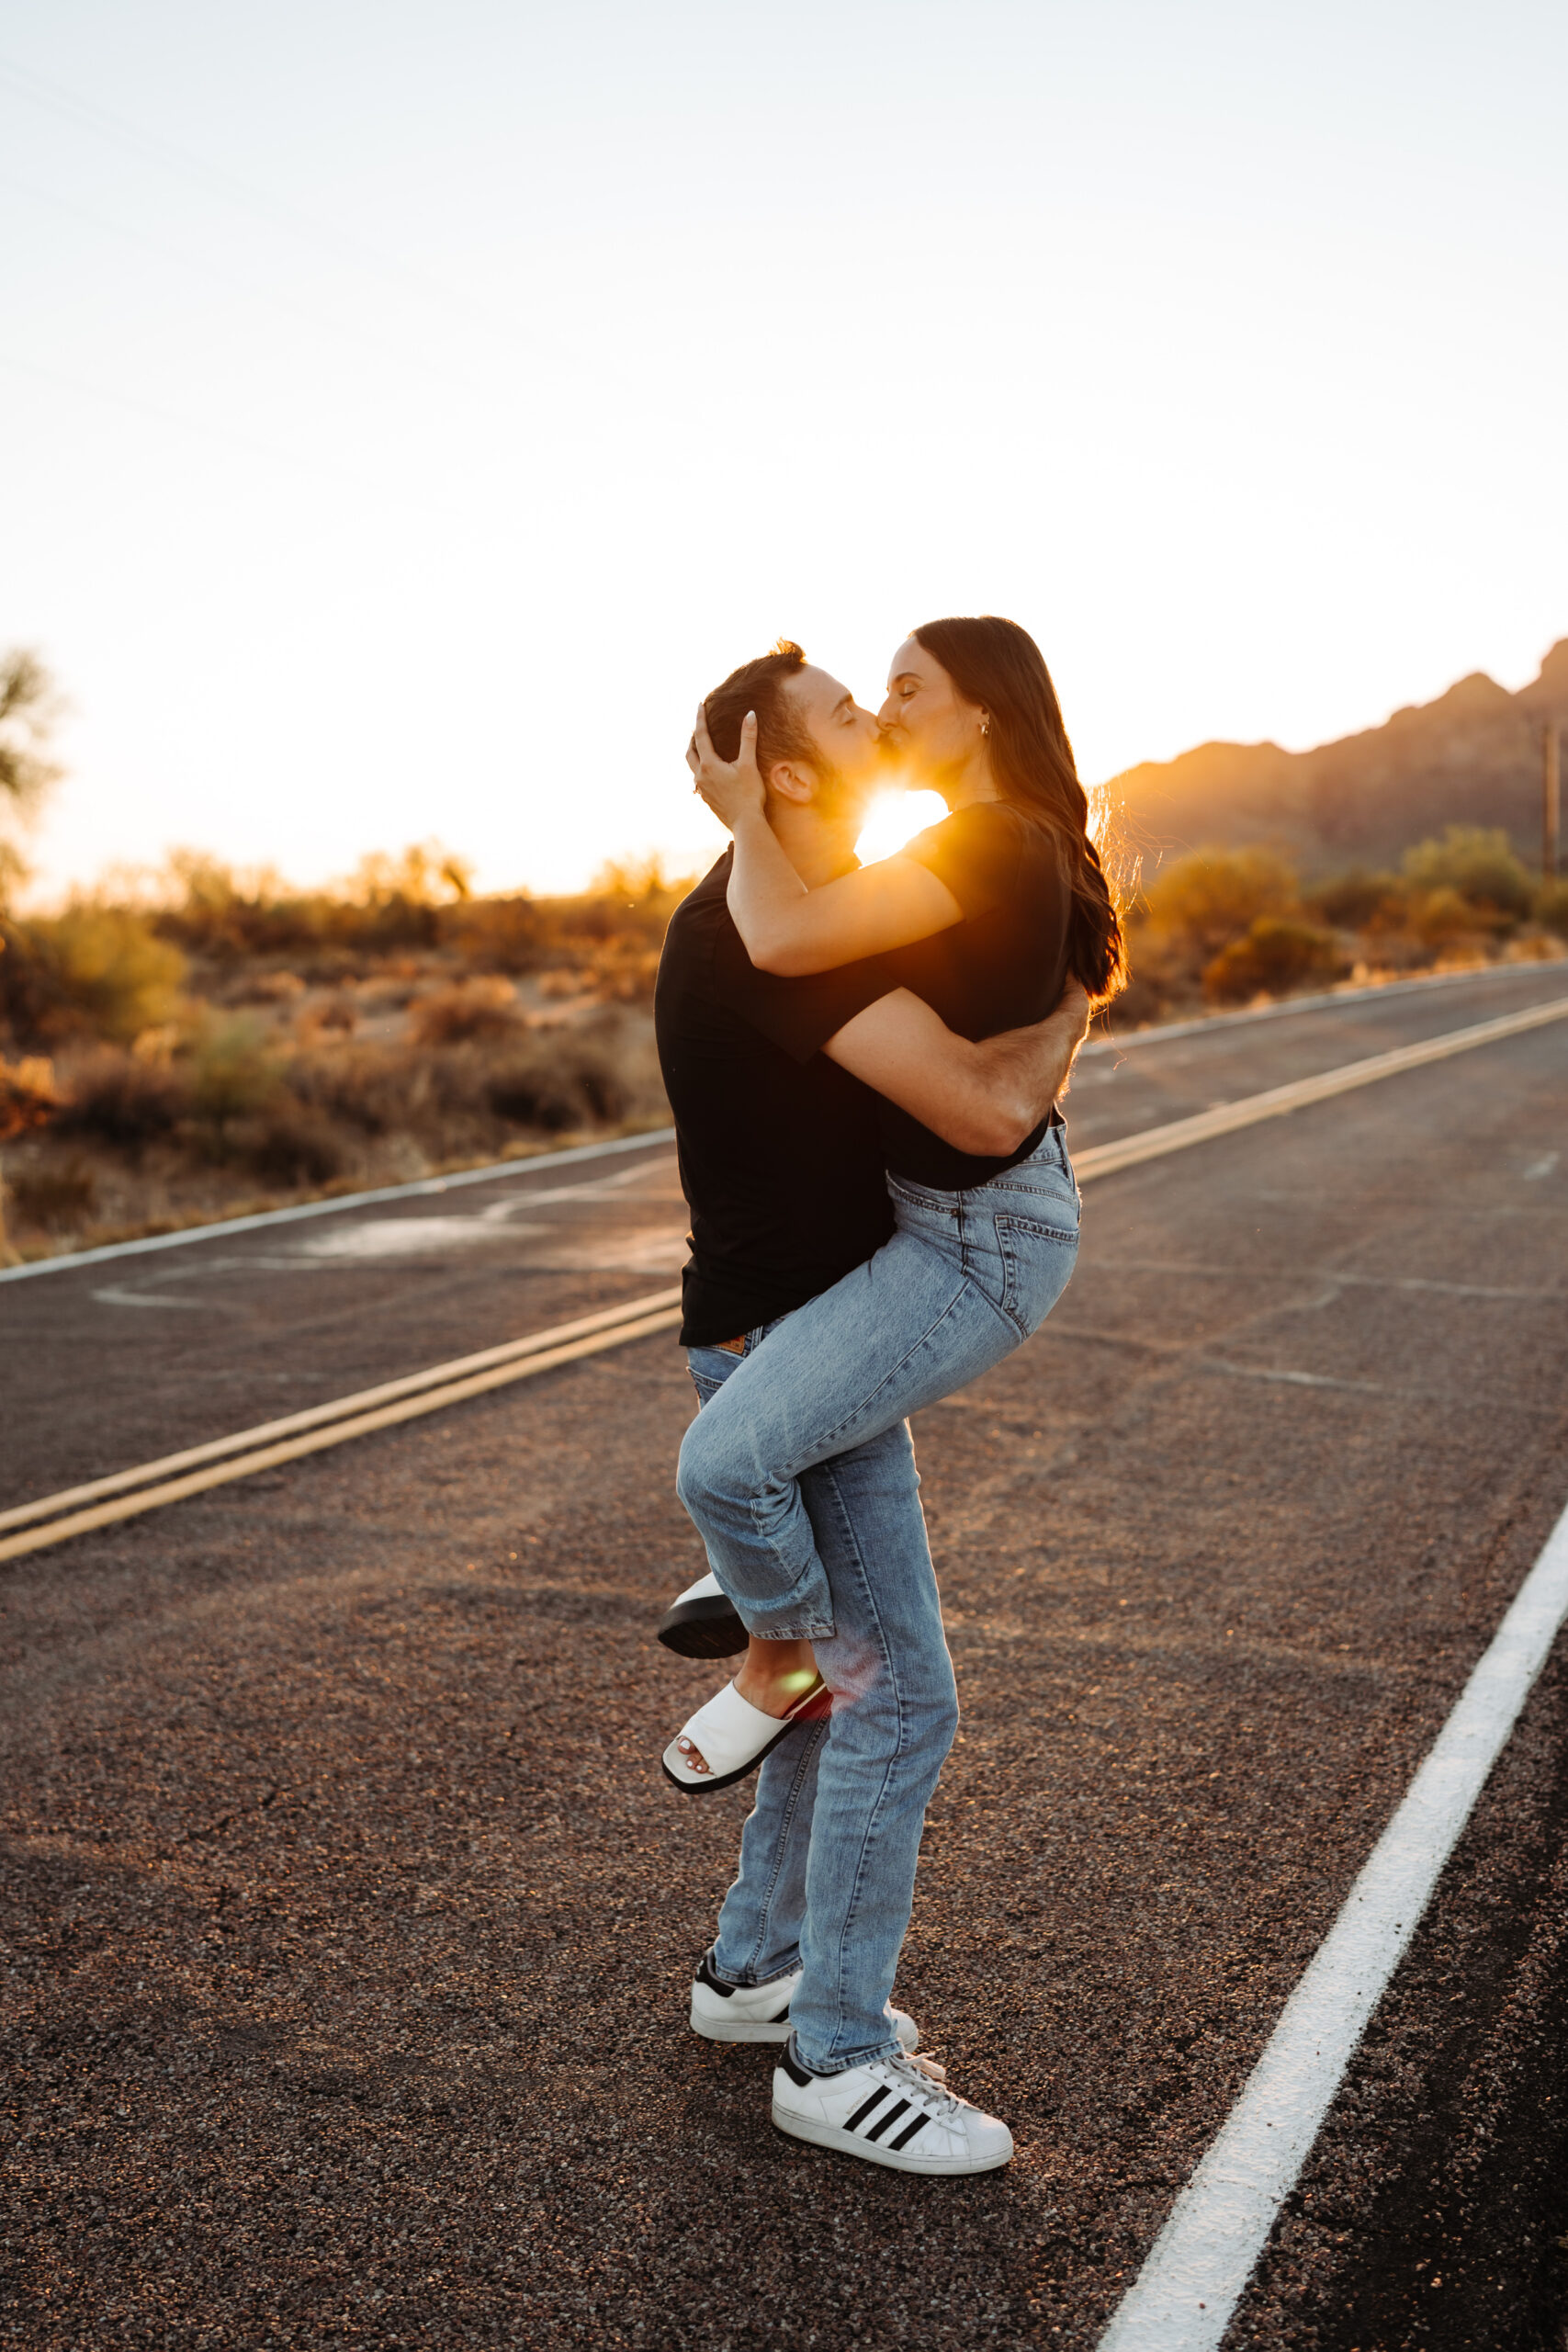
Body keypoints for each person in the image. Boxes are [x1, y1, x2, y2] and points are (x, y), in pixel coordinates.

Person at [661, 616, 1124, 2173]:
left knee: (863, 1688)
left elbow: (989, 1074)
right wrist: (1060, 1034)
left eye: (896, 691)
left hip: (816, 1320)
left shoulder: (835, 903)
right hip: (789, 1338)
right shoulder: (767, 927)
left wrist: (1058, 1010)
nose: (878, 714)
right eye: (858, 708)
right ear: (787, 774)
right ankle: (835, 2057)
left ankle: (757, 1969)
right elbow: (981, 1107)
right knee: (891, 1692)